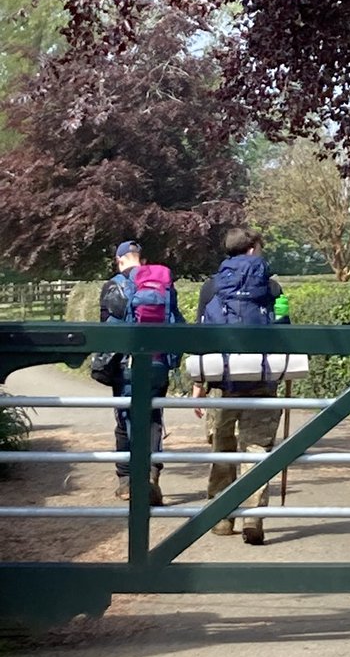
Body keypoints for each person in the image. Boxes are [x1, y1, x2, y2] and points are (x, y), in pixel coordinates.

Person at [192, 227, 285, 546]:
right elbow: (284, 329)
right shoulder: (271, 286)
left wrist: (197, 383)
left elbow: (201, 337)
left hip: (222, 381)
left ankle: (221, 517)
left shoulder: (211, 287)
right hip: (262, 380)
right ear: (251, 249)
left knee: (223, 446)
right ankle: (253, 518)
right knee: (257, 448)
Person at [99, 240, 182, 506]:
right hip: (159, 362)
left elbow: (106, 329)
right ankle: (152, 475)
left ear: (120, 260)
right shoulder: (165, 284)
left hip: (128, 365)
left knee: (127, 418)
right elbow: (176, 321)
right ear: (140, 259)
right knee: (153, 418)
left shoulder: (114, 285)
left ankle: (130, 481)